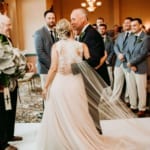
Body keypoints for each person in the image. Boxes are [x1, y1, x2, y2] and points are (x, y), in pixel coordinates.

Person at [35, 18, 148, 150]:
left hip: (60, 82)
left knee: (60, 111)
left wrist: (46, 86)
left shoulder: (56, 46)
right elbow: (89, 64)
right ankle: (79, 137)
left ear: (59, 32)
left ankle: (62, 139)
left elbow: (53, 68)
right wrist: (102, 59)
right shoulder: (81, 46)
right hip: (75, 82)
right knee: (78, 111)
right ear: (70, 30)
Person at [70, 8, 110, 134]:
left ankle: (96, 133)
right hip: (88, 77)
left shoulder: (91, 34)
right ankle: (92, 131)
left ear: (83, 18)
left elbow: (94, 61)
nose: (72, 22)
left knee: (92, 107)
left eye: (73, 19)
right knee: (88, 107)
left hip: (94, 78)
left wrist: (72, 68)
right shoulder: (85, 33)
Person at [0, 15, 33, 150]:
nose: (10, 27)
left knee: (10, 109)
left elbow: (14, 58)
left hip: (11, 81)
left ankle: (9, 134)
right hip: (2, 83)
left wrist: (24, 64)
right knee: (1, 112)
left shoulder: (7, 39)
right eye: (8, 25)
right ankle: (2, 144)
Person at [126, 18, 150, 117]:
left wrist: (132, 63)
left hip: (140, 67)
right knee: (131, 87)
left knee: (141, 89)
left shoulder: (146, 38)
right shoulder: (131, 37)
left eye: (135, 25)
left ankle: (142, 108)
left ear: (140, 25)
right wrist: (130, 64)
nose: (133, 27)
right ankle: (133, 106)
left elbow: (143, 53)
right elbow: (126, 51)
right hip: (130, 67)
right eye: (132, 26)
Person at [34, 10, 57, 90]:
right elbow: (40, 53)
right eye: (49, 18)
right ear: (45, 19)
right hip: (45, 69)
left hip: (55, 69)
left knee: (55, 91)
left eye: (53, 18)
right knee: (47, 92)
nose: (51, 20)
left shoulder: (57, 32)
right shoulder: (39, 33)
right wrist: (53, 65)